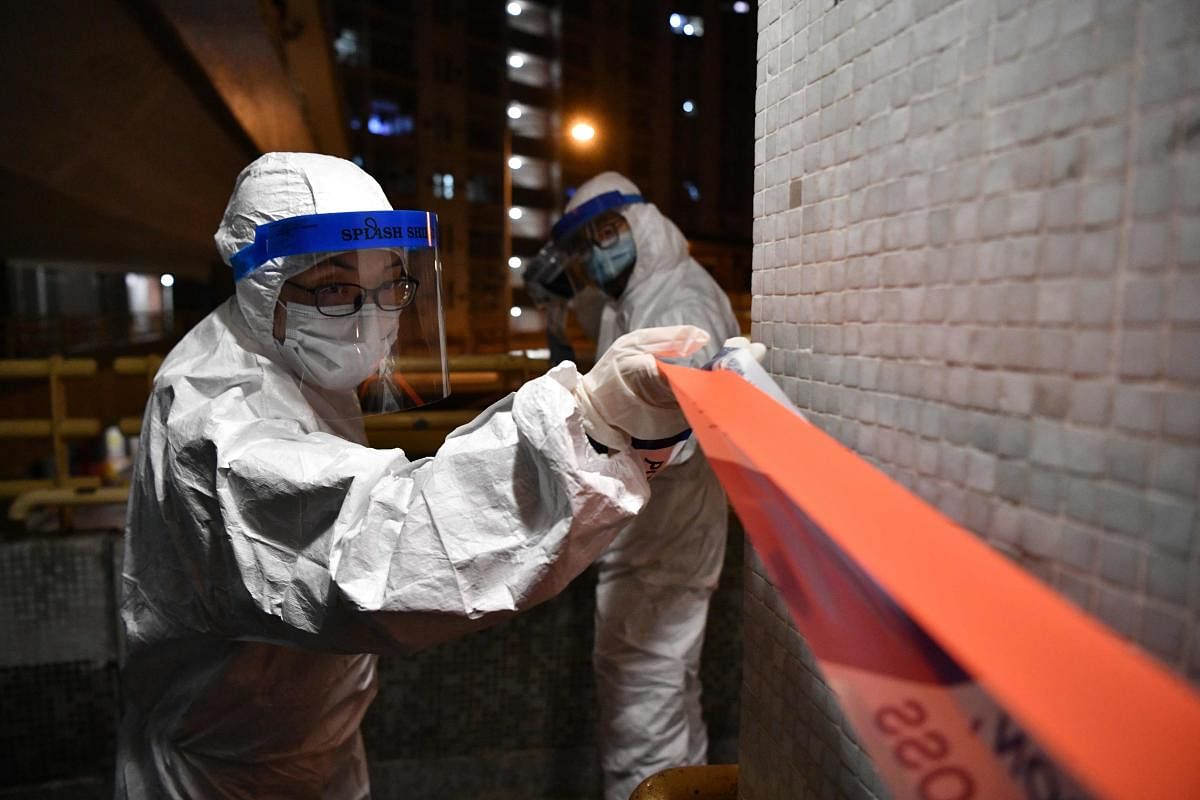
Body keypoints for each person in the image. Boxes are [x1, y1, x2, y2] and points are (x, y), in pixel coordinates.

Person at [115, 152, 711, 799]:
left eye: (391, 284)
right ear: (263, 280)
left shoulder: (296, 362)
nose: (372, 319)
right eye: (337, 287)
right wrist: (589, 421)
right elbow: (373, 541)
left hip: (305, 738)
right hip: (219, 777)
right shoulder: (212, 419)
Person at [526, 172, 741, 800]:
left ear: (643, 224)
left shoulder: (678, 303)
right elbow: (603, 337)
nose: (598, 251)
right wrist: (559, 307)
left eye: (608, 232)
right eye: (587, 242)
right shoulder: (637, 296)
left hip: (667, 535)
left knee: (639, 706)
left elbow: (678, 422)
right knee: (665, 688)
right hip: (657, 533)